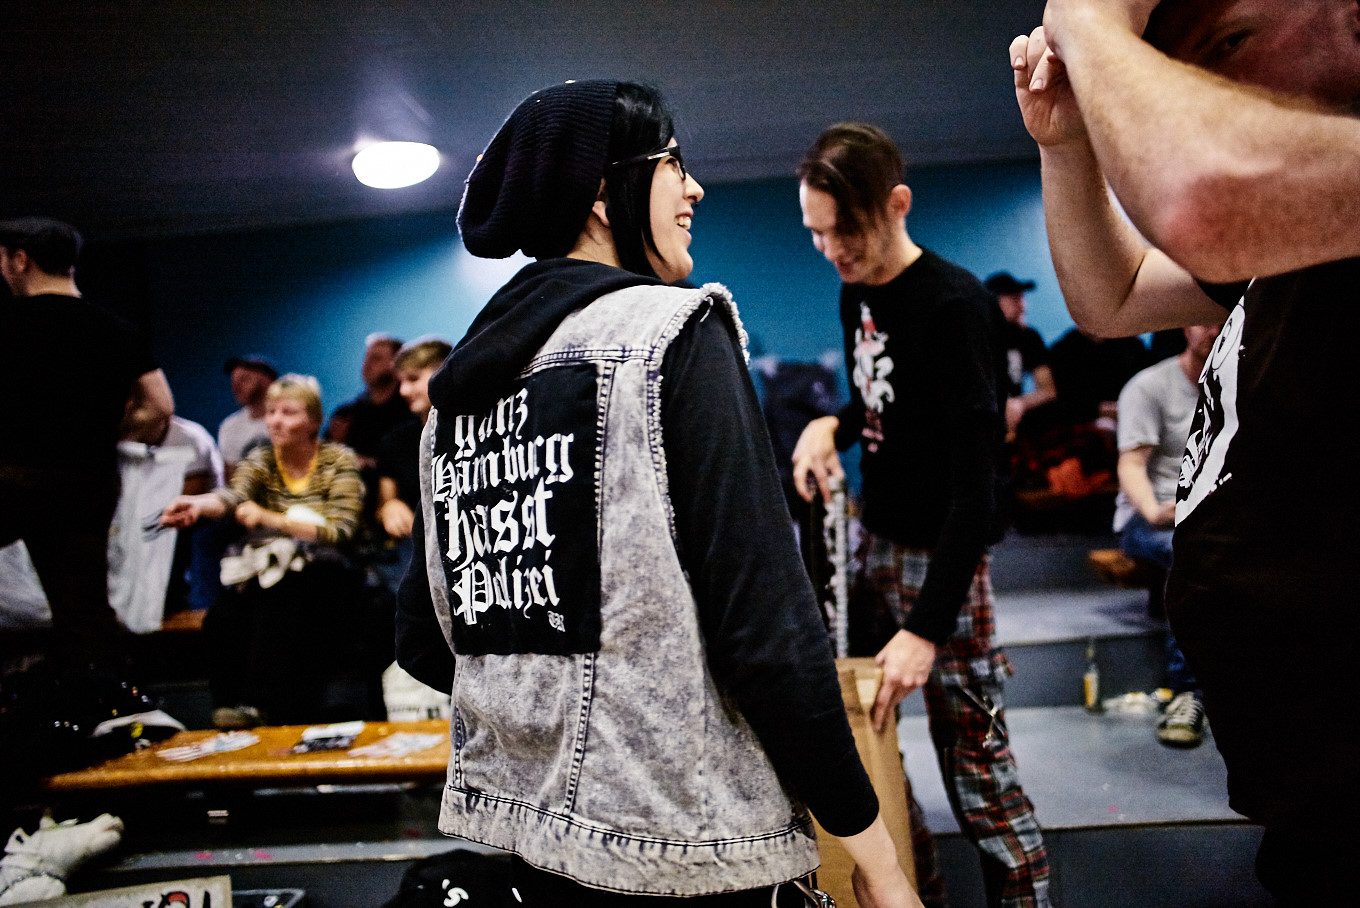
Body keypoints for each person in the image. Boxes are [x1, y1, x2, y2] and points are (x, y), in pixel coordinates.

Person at [396, 80, 918, 907]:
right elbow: (769, 634)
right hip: (693, 853)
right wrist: (878, 858)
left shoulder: (455, 402)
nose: (694, 188)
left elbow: (428, 641)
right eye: (674, 162)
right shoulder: (672, 335)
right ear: (603, 194)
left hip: (540, 858)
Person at [1011, 1, 1360, 901]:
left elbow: (1202, 200)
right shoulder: (1298, 238)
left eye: (1231, 41)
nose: (1209, 82)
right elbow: (1114, 291)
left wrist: (1090, 22)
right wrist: (1065, 146)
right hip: (1310, 792)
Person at [791, 124, 1050, 908]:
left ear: (897, 204)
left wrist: (926, 630)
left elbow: (980, 489)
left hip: (946, 563)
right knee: (876, 771)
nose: (831, 250)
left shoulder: (956, 304)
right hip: (875, 542)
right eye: (816, 234)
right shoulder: (855, 290)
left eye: (846, 230)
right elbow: (885, 402)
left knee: (982, 785)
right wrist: (830, 424)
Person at [0, 217, 174, 675]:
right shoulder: (114, 327)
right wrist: (103, 431)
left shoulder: (8, 323)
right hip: (88, 481)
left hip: (14, 477)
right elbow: (159, 406)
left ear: (20, 260)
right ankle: (109, 704)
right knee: (84, 610)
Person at [161, 375, 364, 728]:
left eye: (288, 412)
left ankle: (260, 705)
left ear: (313, 421)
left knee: (281, 596)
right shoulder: (261, 459)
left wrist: (271, 518)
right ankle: (227, 710)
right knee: (222, 617)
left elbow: (341, 530)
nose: (276, 420)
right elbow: (233, 496)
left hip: (327, 571)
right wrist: (198, 505)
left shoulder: (338, 459)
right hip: (270, 570)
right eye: (271, 412)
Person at [1113, 323, 1221, 748]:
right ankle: (1185, 693)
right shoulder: (1151, 386)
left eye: (1222, 319)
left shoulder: (1239, 384)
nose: (1214, 329)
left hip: (1213, 519)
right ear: (1185, 326)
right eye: (1203, 320)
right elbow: (1131, 465)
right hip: (1150, 519)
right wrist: (1155, 510)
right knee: (1189, 553)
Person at [375, 337, 452, 543]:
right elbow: (383, 505)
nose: (403, 391)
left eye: (413, 379)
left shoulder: (477, 433)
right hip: (415, 544)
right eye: (401, 382)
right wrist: (390, 507)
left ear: (443, 374)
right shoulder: (394, 440)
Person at [983, 272, 1055, 437]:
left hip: (1015, 415)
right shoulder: (978, 337)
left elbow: (1048, 389)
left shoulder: (1028, 336)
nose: (1022, 306)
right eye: (1015, 299)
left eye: (1022, 298)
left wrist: (1020, 403)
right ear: (994, 301)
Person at [218, 356, 276, 480]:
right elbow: (232, 479)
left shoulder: (292, 419)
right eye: (233, 382)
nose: (236, 387)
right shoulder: (230, 426)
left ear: (267, 380)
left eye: (244, 379)